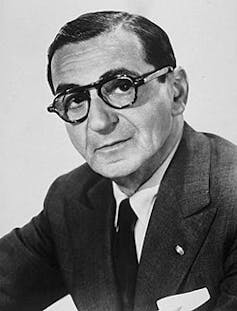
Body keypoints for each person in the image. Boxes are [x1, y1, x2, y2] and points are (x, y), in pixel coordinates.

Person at [0, 10, 237, 311]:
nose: (99, 122)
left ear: (176, 92)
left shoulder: (231, 198)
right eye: (75, 100)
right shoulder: (72, 198)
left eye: (122, 86)